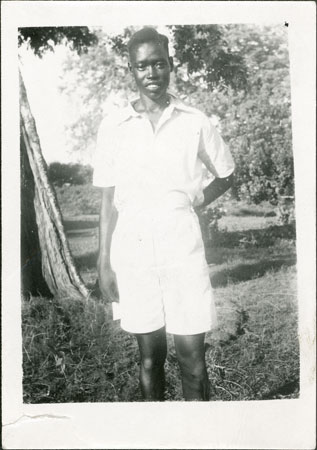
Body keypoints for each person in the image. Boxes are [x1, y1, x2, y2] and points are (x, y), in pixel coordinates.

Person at [93, 27, 234, 401]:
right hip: (134, 253)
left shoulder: (194, 121)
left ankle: (198, 434)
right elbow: (108, 200)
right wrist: (104, 263)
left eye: (159, 64)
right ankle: (157, 433)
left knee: (194, 361)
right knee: (150, 359)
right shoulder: (114, 126)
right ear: (131, 71)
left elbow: (227, 173)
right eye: (143, 66)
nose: (152, 73)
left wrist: (196, 199)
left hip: (182, 250)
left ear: (171, 66)